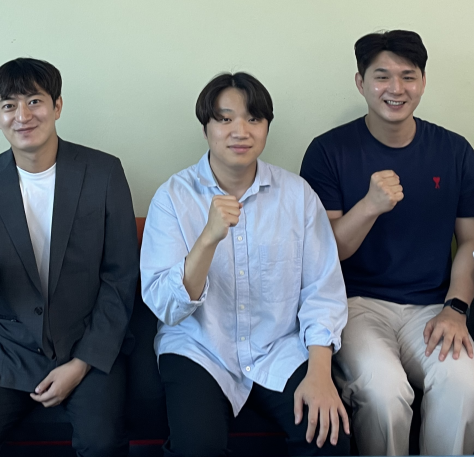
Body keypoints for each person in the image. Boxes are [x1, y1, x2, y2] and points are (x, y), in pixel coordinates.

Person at [300, 30, 474, 456]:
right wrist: (369, 206)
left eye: (408, 76)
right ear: (361, 83)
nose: (396, 88)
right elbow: (326, 252)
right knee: (384, 393)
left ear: (423, 82)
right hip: (354, 304)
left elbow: (472, 241)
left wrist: (456, 308)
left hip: (433, 305)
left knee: (465, 389)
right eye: (382, 76)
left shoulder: (454, 150)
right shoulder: (328, 151)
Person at [141, 72, 350, 457]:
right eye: (225, 119)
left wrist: (321, 374)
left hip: (279, 346)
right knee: (197, 448)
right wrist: (208, 238)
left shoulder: (298, 195)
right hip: (200, 347)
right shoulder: (172, 198)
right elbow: (165, 306)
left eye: (253, 118)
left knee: (328, 435)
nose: (240, 131)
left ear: (267, 126)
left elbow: (322, 290)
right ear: (206, 128)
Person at [0, 58, 138, 457]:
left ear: (57, 106)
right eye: (9, 105)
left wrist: (81, 363)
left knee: (101, 444)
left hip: (86, 338)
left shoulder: (103, 173)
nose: (23, 115)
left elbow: (120, 277)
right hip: (10, 346)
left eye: (34, 101)